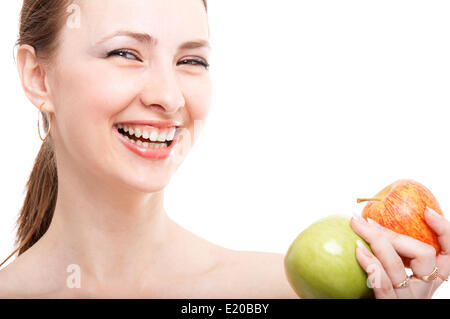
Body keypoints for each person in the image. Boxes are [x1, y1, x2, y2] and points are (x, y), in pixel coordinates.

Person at [0, 0, 448, 298]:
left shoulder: (284, 292)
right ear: (38, 77)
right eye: (125, 54)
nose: (170, 98)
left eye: (191, 61)